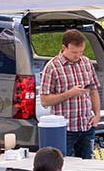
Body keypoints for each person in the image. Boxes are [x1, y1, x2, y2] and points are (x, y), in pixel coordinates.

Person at [39, 29, 100, 159]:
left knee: (87, 165)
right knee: (62, 163)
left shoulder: (86, 63)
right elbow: (44, 100)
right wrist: (69, 93)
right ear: (64, 47)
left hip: (86, 125)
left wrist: (97, 115)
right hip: (64, 128)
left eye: (81, 52)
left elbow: (93, 90)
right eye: (74, 52)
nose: (78, 56)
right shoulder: (52, 67)